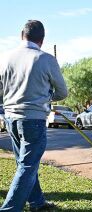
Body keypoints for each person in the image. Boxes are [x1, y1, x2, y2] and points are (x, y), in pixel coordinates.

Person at [0, 20, 68, 211]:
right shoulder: (46, 59)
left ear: (22, 35)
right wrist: (46, 97)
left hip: (11, 118)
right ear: (42, 40)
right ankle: (9, 209)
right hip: (33, 120)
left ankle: (37, 202)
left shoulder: (5, 58)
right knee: (27, 166)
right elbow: (62, 92)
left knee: (25, 164)